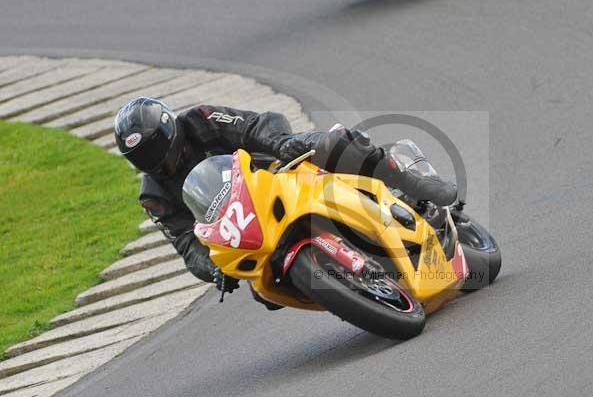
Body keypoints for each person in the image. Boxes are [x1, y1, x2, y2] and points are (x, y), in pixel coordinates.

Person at [113, 97, 456, 299]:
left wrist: (278, 143)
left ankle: (409, 180)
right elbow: (187, 244)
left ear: (169, 128)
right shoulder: (153, 194)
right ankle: (349, 288)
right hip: (251, 223)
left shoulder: (200, 120)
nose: (154, 159)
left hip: (279, 166)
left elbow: (251, 126)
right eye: (142, 156)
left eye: (155, 146)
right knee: (267, 293)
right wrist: (214, 269)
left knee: (336, 144)